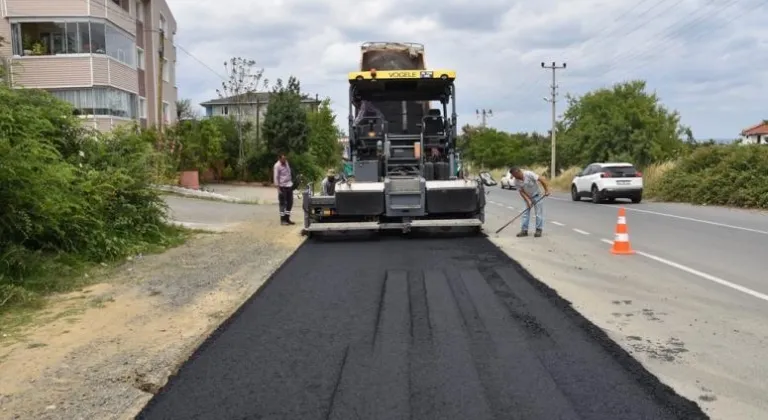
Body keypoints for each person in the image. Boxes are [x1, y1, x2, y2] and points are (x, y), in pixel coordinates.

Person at [509, 166, 551, 237]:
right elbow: (521, 191)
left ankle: (538, 230)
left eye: (514, 175)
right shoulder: (516, 181)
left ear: (518, 172)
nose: (514, 177)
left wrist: (546, 190)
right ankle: (524, 230)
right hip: (528, 197)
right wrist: (528, 200)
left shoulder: (529, 174)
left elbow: (542, 179)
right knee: (525, 213)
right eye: (513, 176)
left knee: (538, 214)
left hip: (537, 196)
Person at [273, 153, 295, 226]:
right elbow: (276, 177)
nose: (285, 160)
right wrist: (278, 189)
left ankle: (287, 218)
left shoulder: (286, 163)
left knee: (290, 203)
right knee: (282, 204)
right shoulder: (277, 166)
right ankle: (282, 220)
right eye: (283, 159)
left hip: (289, 185)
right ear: (279, 159)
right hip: (282, 187)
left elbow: (288, 173)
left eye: (285, 158)